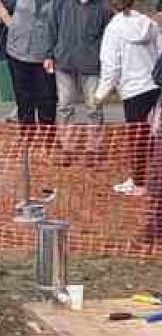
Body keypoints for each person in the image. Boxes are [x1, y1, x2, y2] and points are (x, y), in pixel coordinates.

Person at [93, 0, 161, 196]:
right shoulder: (151, 24)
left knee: (137, 138)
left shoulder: (113, 29)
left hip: (133, 91)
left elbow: (110, 65)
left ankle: (139, 185)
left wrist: (100, 94)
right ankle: (143, 179)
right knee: (151, 135)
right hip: (154, 86)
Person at [49, 0, 112, 162]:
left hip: (91, 64)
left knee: (94, 107)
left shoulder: (103, 7)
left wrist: (104, 62)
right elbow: (51, 29)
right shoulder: (60, 4)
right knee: (64, 106)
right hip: (64, 62)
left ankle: (94, 149)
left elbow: (109, 37)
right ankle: (66, 148)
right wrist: (49, 54)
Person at [0, 0, 58, 137]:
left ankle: (48, 142)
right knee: (24, 101)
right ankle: (28, 141)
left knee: (47, 101)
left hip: (46, 56)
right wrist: (7, 18)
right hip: (17, 52)